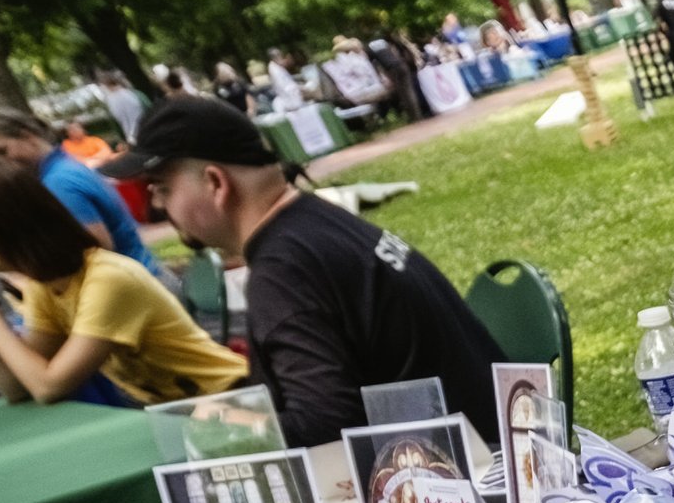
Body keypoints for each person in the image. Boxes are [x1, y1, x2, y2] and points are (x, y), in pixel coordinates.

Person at [109, 97, 505, 445]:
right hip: (488, 450)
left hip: (463, 494)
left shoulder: (284, 271)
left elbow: (327, 426)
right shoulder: (316, 224)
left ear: (215, 182)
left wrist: (229, 421)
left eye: (162, 188)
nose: (159, 206)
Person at [0, 161, 245, 407]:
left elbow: (48, 386)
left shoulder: (107, 279)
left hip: (233, 398)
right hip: (184, 412)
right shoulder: (47, 287)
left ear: (1, 225)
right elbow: (16, 386)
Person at [0, 108, 161, 275]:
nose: (0, 163)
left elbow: (98, 253)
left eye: (2, 151)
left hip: (134, 291)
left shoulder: (58, 183)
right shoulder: (64, 165)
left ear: (26, 134)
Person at [97, 69, 149, 143]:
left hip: (133, 138)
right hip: (150, 129)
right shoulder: (136, 94)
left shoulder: (110, 102)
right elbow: (151, 109)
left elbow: (116, 124)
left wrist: (123, 140)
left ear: (105, 86)